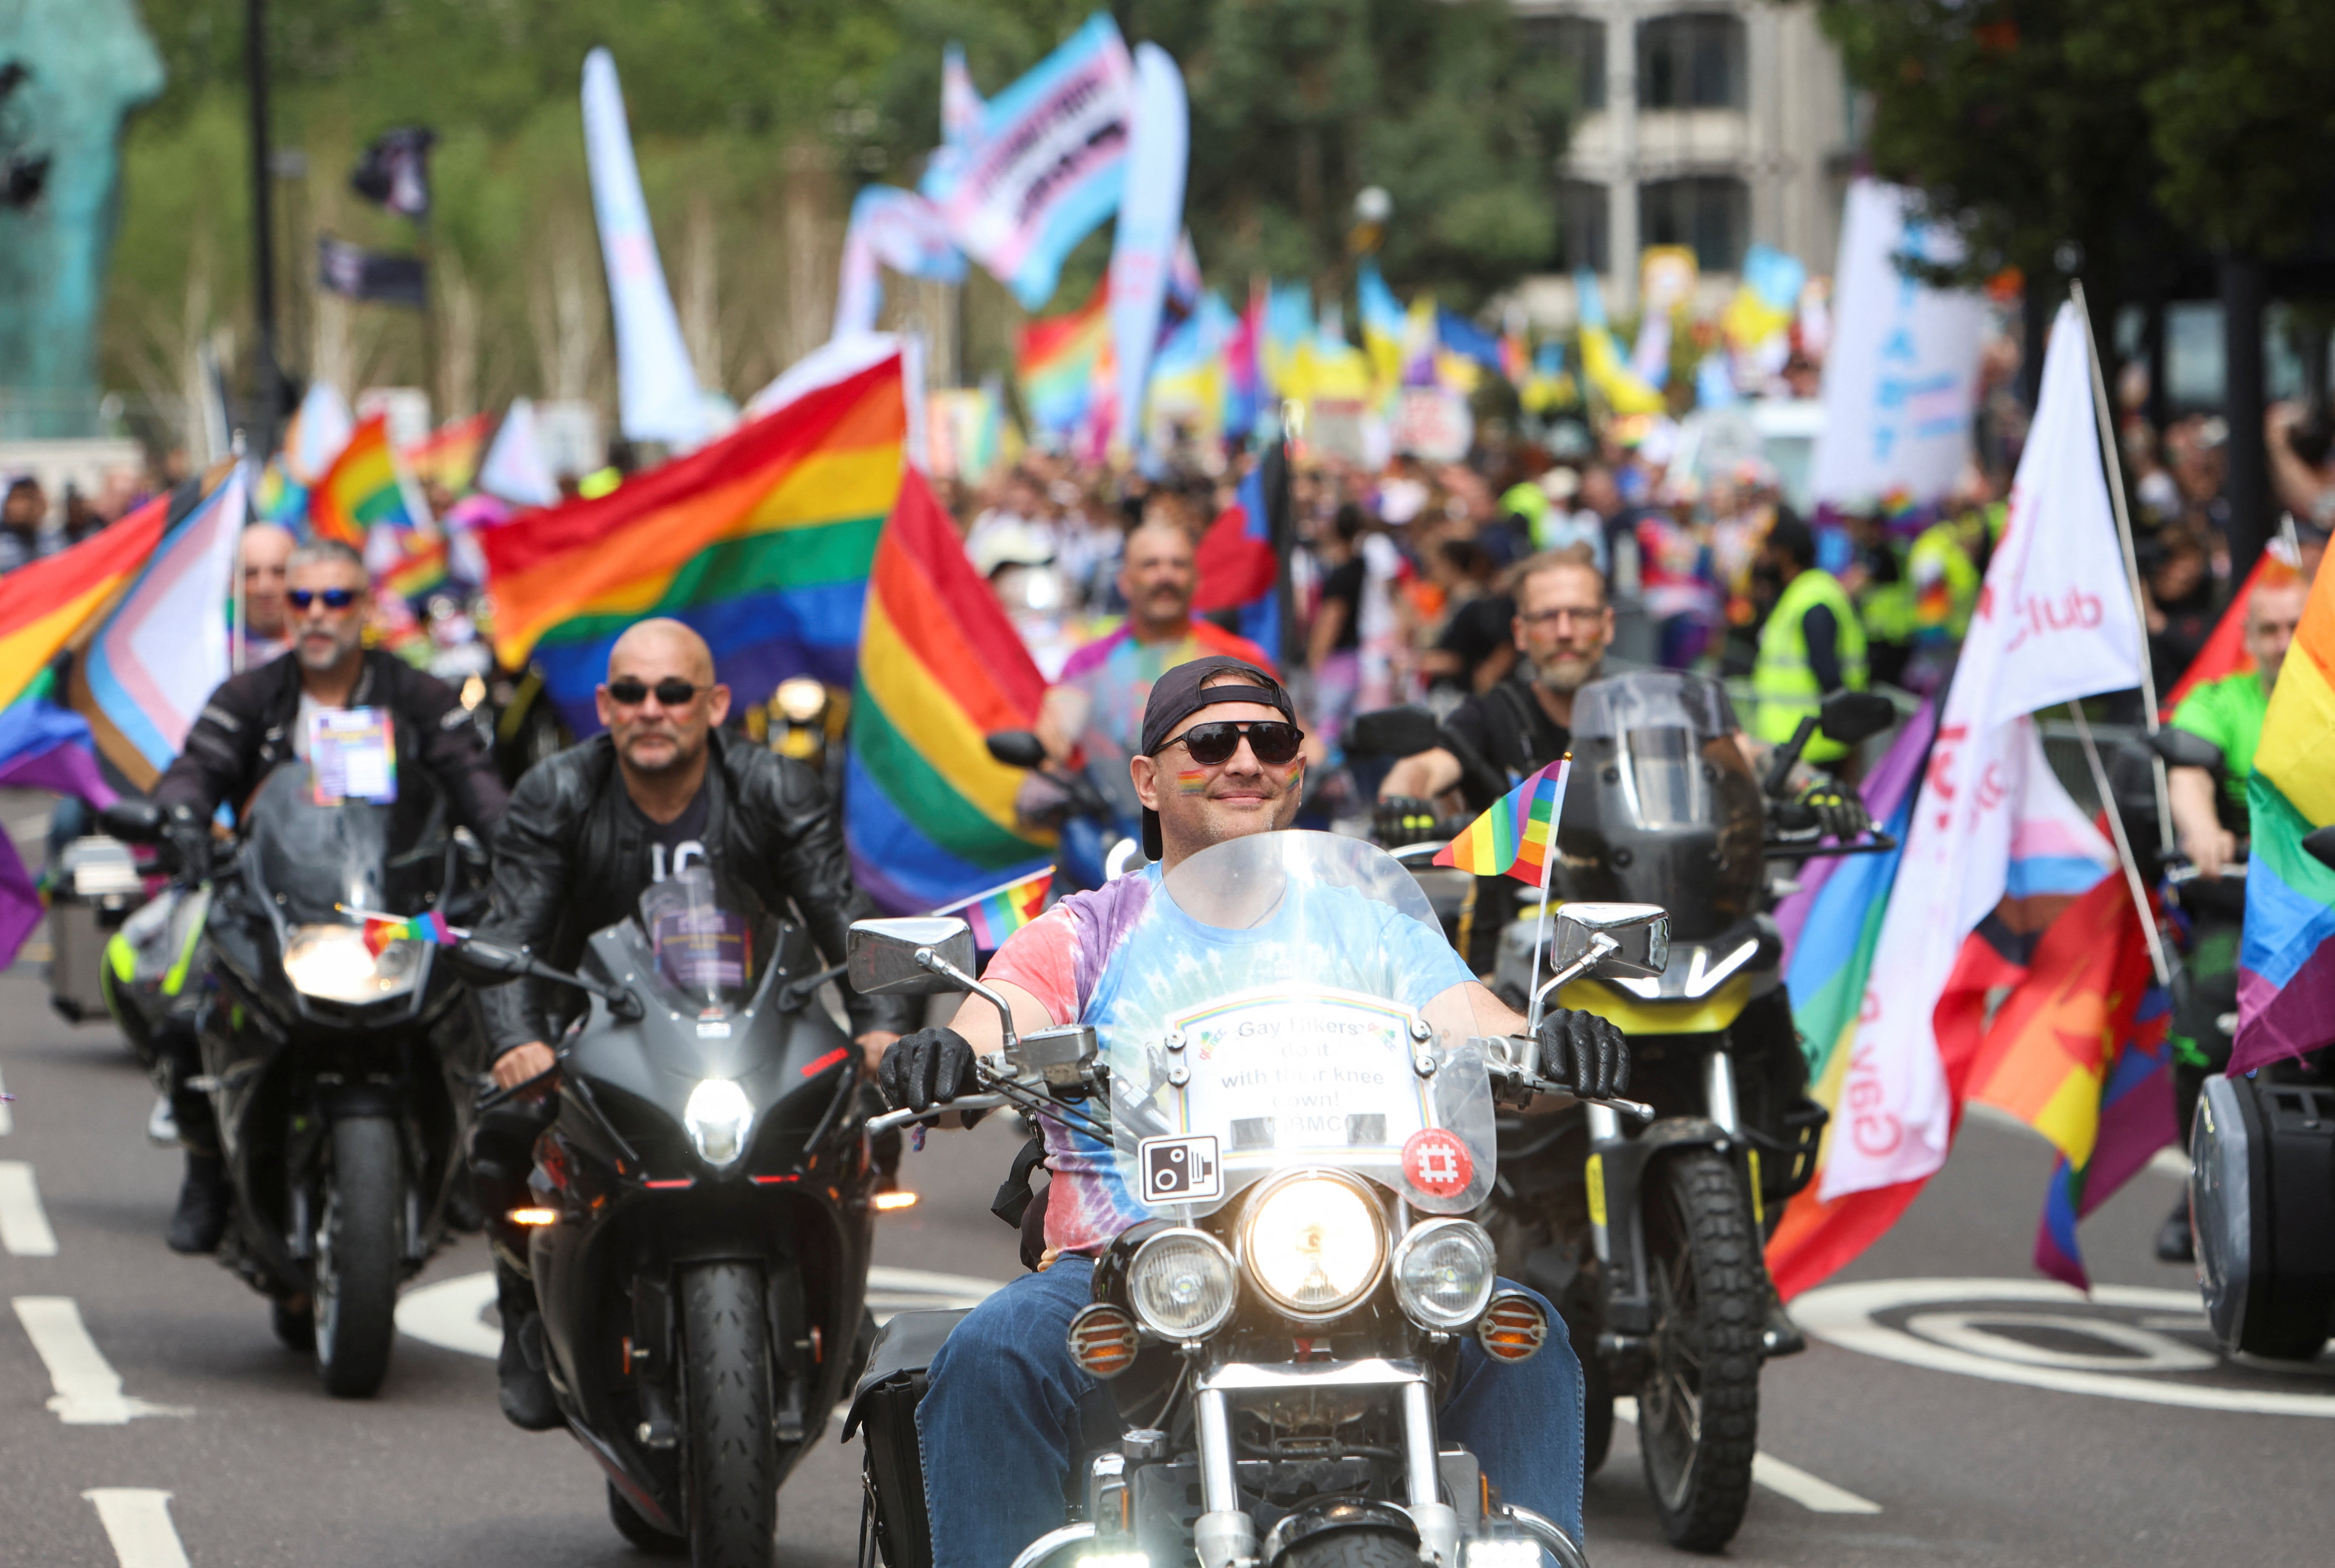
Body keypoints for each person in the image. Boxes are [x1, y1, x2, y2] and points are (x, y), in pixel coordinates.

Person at [878, 657, 1628, 1568]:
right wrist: (948, 1055)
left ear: (1297, 767)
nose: (1243, 759)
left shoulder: (1368, 923)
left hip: (1359, 1255)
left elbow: (1477, 1023)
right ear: (1148, 781)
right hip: (1134, 1264)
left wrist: (1552, 1043)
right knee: (991, 1357)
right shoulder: (1083, 930)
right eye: (1209, 741)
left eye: (1267, 739)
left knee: (1524, 1340)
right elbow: (994, 1022)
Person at [472, 617, 917, 1429]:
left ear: (713, 704)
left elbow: (843, 917)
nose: (652, 708)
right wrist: (516, 1038)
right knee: (506, 1131)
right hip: (596, 1023)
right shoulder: (558, 792)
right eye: (632, 693)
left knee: (860, 1108)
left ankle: (839, 1290)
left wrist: (881, 1025)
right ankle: (524, 1310)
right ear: (605, 706)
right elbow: (511, 933)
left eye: (673, 692)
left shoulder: (779, 787)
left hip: (751, 1019)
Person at [147, 538, 511, 1255]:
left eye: (336, 599)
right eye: (302, 599)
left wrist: (508, 840)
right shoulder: (251, 695)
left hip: (394, 906)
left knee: (486, 1002)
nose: (318, 614)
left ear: (366, 608)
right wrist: (185, 818)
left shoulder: (418, 695)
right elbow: (197, 767)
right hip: (273, 903)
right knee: (187, 1006)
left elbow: (473, 777)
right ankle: (206, 1169)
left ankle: (466, 1160)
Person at [2155, 574, 2309, 1262]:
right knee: (2200, 1034)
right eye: (2269, 630)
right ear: (2248, 639)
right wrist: (2202, 830)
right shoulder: (2222, 701)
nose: (2283, 644)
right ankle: (2206, 1185)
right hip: (2244, 913)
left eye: (2296, 627)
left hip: (2325, 918)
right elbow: (2187, 771)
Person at [1749, 510, 1868, 768]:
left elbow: (1829, 677)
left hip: (1814, 752)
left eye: (1768, 550)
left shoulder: (1813, 600)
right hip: (1793, 746)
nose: (1762, 559)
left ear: (1785, 554)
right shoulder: (1799, 595)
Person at [238, 523, 295, 667]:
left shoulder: (326, 652)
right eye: (250, 574)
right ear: (232, 582)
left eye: (279, 572)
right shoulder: (215, 656)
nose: (265, 588)